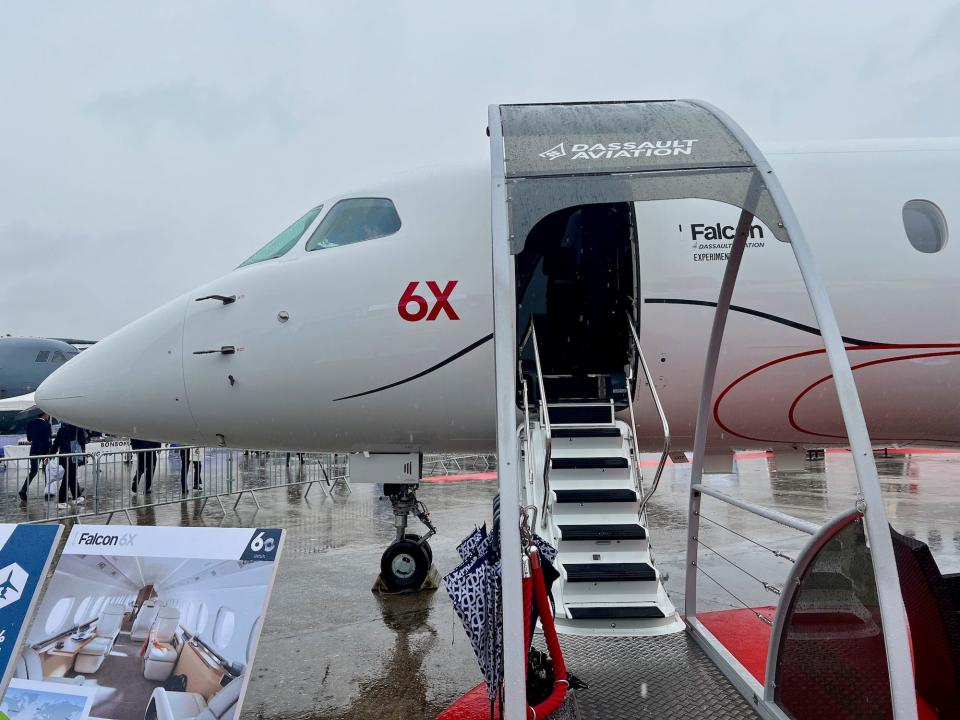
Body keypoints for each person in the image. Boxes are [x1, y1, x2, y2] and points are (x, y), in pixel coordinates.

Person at [52, 422, 86, 509]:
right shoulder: (78, 428)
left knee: (71, 476)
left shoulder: (61, 430)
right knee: (68, 478)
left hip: (63, 457)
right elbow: (82, 441)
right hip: (74, 457)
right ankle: (61, 500)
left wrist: (50, 455)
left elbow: (56, 444)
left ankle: (77, 496)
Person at [19, 412, 52, 501]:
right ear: (44, 414)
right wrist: (50, 452)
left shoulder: (30, 424)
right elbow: (48, 439)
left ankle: (23, 489)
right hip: (44, 451)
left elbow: (29, 439)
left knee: (33, 471)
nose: (48, 416)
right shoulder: (47, 425)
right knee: (47, 471)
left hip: (34, 450)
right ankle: (47, 491)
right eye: (48, 414)